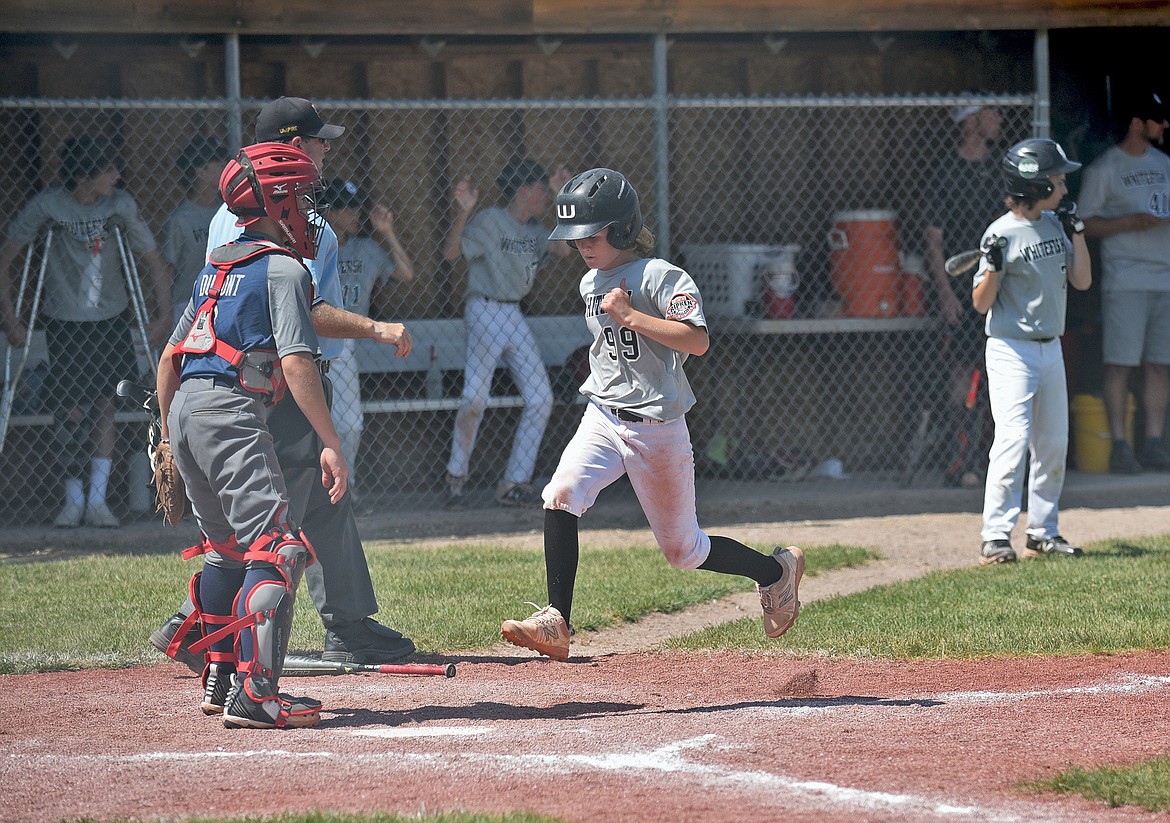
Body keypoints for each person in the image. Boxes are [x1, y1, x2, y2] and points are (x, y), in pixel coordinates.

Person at [150, 96, 415, 670]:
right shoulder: (289, 218)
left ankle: (344, 622)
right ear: (292, 150)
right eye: (317, 142)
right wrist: (374, 326)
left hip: (224, 373)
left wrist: (169, 428)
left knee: (320, 500)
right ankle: (217, 636)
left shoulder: (234, 206)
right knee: (281, 517)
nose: (325, 151)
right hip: (268, 379)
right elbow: (299, 309)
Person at [499, 168, 804, 661]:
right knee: (559, 495)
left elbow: (698, 340)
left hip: (657, 428)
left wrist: (633, 316)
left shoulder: (662, 275)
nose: (582, 247)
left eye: (592, 236)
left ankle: (776, 571)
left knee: (683, 551)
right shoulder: (589, 282)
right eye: (576, 239)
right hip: (603, 415)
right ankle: (558, 621)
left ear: (621, 230)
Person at [158, 141, 335, 728]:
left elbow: (169, 357)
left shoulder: (220, 263)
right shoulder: (283, 269)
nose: (307, 211)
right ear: (277, 203)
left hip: (187, 409)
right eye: (300, 198)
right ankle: (257, 695)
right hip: (231, 416)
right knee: (277, 548)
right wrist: (329, 441)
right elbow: (297, 363)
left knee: (225, 551)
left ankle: (221, 678)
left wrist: (166, 438)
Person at [0, 136, 171, 529]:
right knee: (69, 408)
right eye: (108, 170)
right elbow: (7, 257)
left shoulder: (120, 206)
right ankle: (72, 498)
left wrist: (162, 315)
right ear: (83, 175)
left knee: (104, 405)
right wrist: (10, 318)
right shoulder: (48, 206)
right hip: (63, 319)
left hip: (110, 317)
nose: (117, 176)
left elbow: (152, 259)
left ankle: (97, 500)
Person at [972, 138, 1092, 565]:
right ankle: (995, 535)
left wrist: (1077, 232)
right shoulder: (999, 233)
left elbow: (1082, 281)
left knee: (1053, 442)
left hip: (1050, 347)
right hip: (1011, 350)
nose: (1063, 188)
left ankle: (1043, 530)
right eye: (1058, 181)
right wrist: (994, 264)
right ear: (1038, 186)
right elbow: (981, 303)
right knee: (1013, 439)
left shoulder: (1056, 225)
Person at [441, 158, 574, 510]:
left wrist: (562, 197)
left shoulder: (535, 230)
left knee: (540, 398)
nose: (545, 198)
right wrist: (465, 212)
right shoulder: (490, 220)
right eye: (542, 192)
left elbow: (564, 248)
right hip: (484, 308)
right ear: (524, 190)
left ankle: (514, 481)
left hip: (512, 312)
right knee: (475, 398)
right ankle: (456, 477)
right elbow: (451, 252)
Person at [1078, 89, 1170, 474]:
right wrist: (1131, 222)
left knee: (1160, 365)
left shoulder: (1166, 164)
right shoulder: (1105, 168)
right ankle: (1119, 444)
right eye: (1157, 119)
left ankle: (1152, 441)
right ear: (1137, 124)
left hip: (1165, 278)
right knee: (1120, 364)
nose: (1164, 125)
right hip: (1126, 279)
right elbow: (1083, 223)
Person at [921, 101, 1006, 488]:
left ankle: (993, 460)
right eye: (990, 112)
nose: (998, 120)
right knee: (962, 373)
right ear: (970, 120)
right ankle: (962, 458)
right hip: (961, 289)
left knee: (998, 375)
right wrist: (945, 294)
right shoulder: (945, 170)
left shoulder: (1002, 168)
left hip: (1000, 286)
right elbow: (934, 241)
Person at [323, 177, 415, 499]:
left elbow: (406, 273)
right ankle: (335, 490)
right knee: (332, 425)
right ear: (329, 213)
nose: (355, 213)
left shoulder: (366, 248)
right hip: (319, 338)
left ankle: (347, 489)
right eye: (346, 208)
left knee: (350, 426)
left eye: (356, 206)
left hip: (350, 341)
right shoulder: (316, 248)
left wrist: (387, 231)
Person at [160, 135, 231, 326]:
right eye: (218, 163)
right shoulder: (180, 219)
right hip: (189, 303)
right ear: (201, 171)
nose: (225, 167)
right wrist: (165, 314)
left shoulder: (229, 212)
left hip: (226, 298)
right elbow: (168, 270)